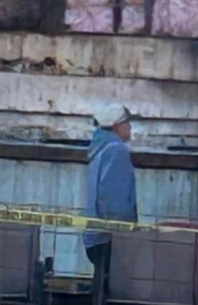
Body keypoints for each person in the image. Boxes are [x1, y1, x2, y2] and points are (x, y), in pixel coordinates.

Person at [84, 105, 138, 305]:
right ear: (116, 126)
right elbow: (114, 198)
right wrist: (124, 235)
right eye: (127, 124)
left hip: (96, 236)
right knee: (114, 296)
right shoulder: (117, 150)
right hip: (110, 238)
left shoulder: (99, 150)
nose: (130, 128)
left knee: (100, 293)